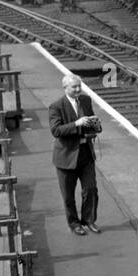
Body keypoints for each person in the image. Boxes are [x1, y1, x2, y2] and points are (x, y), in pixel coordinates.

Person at [50, 73, 101, 235]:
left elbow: (90, 123)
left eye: (80, 86)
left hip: (85, 154)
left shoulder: (85, 100)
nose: (78, 89)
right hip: (66, 157)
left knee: (91, 189)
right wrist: (76, 123)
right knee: (68, 195)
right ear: (65, 88)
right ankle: (74, 223)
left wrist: (95, 125)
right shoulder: (56, 106)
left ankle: (89, 220)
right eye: (74, 87)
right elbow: (56, 131)